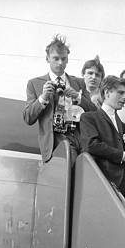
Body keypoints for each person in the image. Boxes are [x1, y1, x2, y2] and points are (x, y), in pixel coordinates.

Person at [23, 34, 95, 163]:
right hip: (56, 140)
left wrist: (77, 96)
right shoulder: (34, 83)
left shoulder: (79, 83)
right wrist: (43, 98)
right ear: (47, 59)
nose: (60, 63)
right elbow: (28, 118)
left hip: (81, 138)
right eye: (56, 58)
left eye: (64, 59)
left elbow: (93, 112)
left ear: (67, 60)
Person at [80, 75, 125, 205]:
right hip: (103, 182)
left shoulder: (122, 122)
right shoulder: (89, 117)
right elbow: (91, 145)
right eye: (120, 93)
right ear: (107, 93)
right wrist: (124, 157)